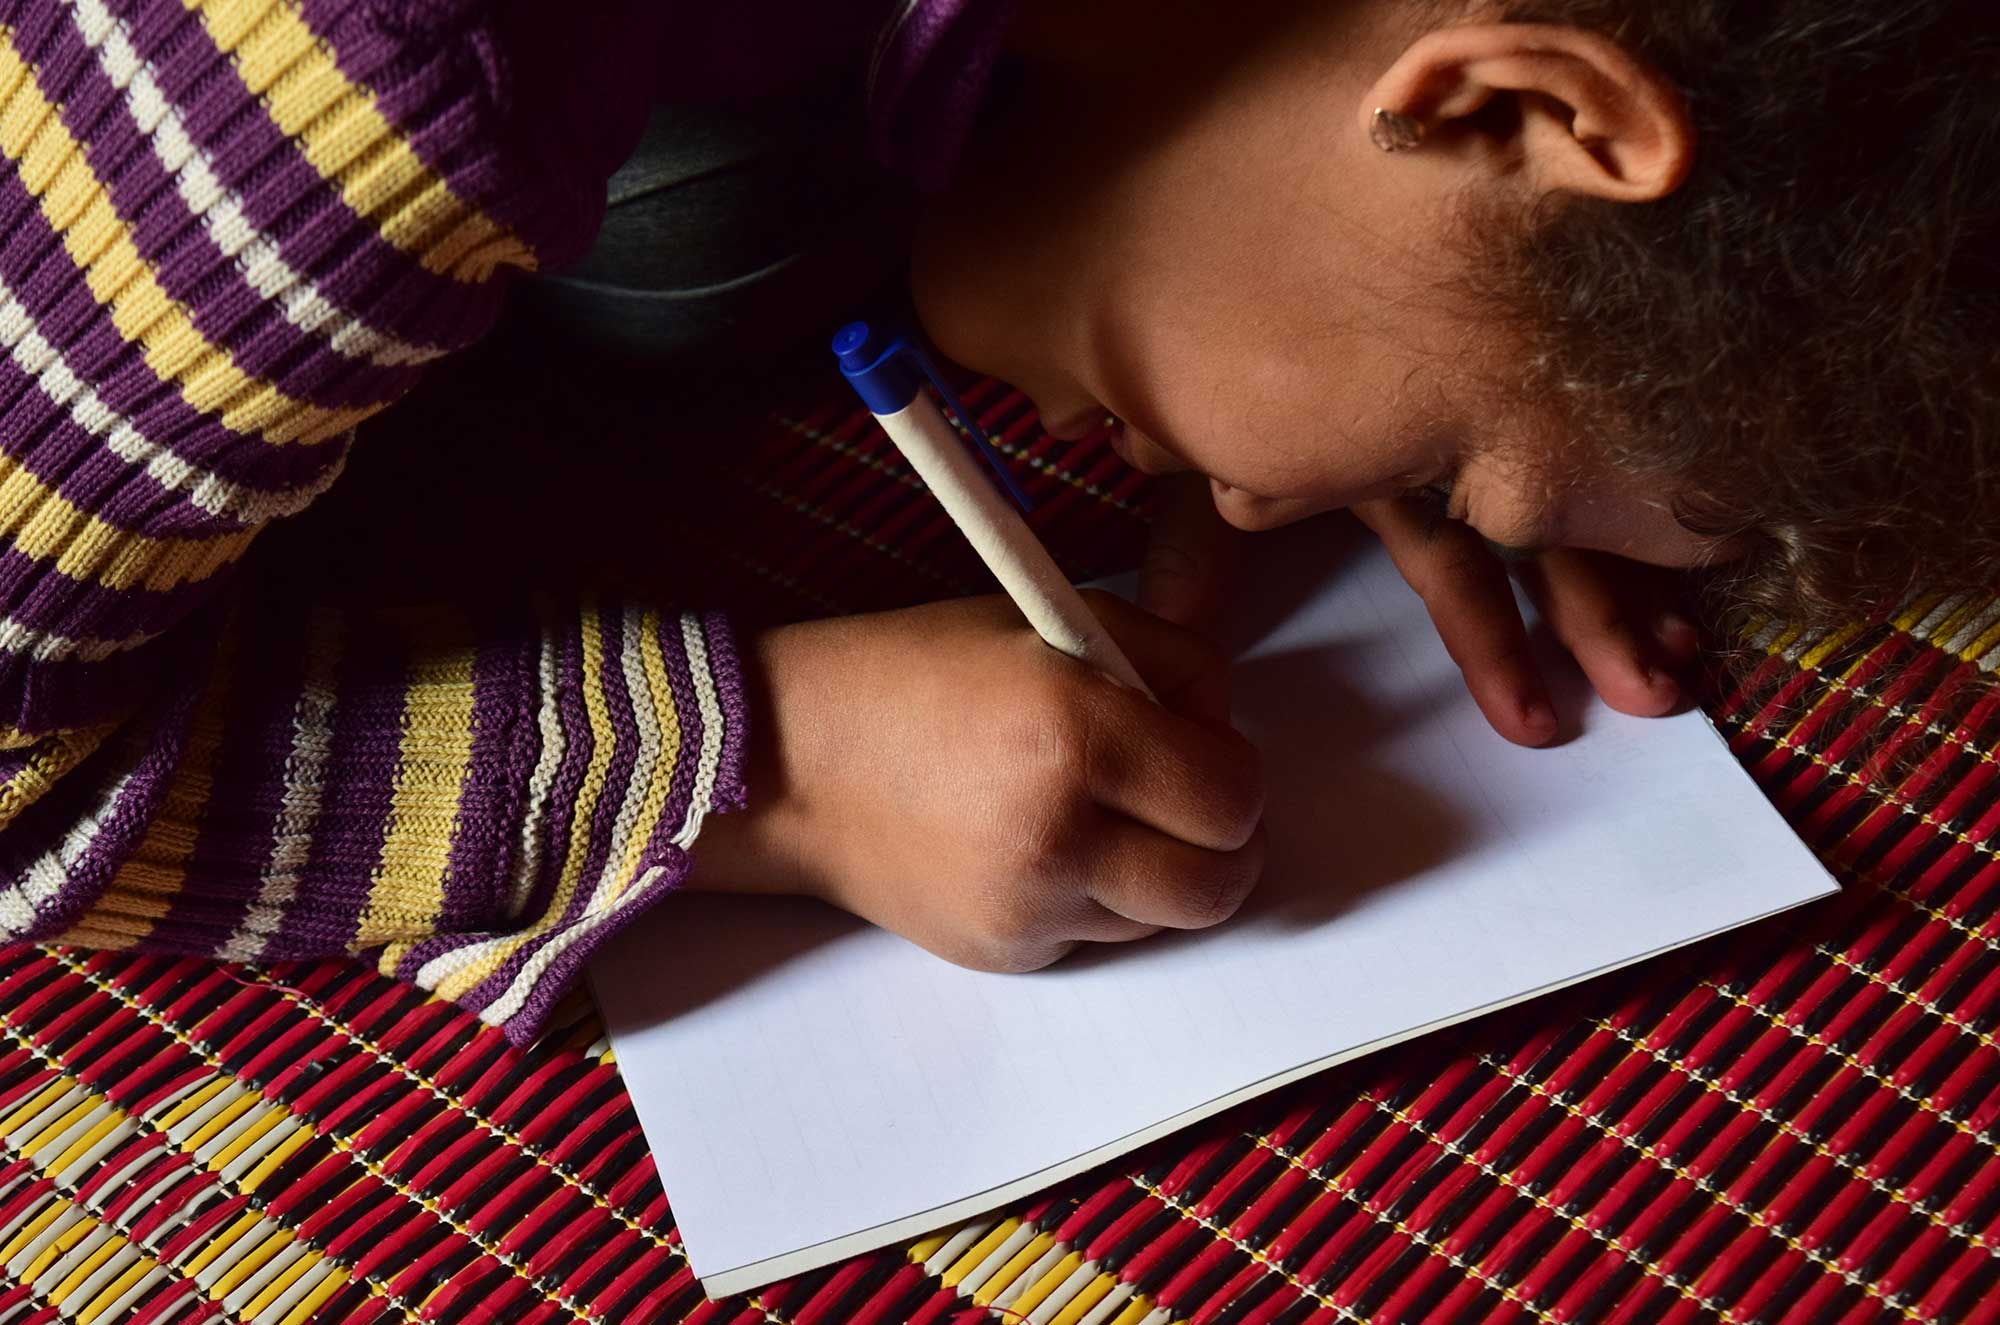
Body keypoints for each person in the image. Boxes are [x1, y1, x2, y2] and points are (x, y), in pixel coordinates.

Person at [0, 0, 1990, 1041]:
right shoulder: (391, 62)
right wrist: (776, 767)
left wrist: (1536, 337)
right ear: (1495, 114)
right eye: (1455, 475)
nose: (1283, 509)